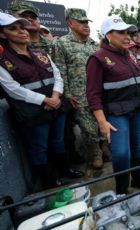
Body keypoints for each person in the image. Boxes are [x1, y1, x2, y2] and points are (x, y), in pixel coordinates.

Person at [0, 12, 84, 190]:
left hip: (55, 105)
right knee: (39, 147)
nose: (21, 31)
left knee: (58, 141)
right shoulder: (3, 60)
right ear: (2, 34)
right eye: (13, 29)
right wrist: (44, 99)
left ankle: (65, 170)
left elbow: (57, 75)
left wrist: (54, 96)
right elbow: (13, 89)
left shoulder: (40, 52)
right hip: (32, 112)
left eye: (22, 27)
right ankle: (49, 182)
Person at [86, 15, 140, 194]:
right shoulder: (98, 58)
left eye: (128, 32)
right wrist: (102, 122)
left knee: (136, 150)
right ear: (108, 35)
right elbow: (93, 94)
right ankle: (122, 192)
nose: (127, 36)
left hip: (137, 110)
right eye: (121, 32)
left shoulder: (128, 55)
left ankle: (139, 184)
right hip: (117, 114)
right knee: (121, 154)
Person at [54, 8, 112, 169]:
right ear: (70, 23)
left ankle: (105, 148)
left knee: (102, 123)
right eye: (81, 22)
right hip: (78, 95)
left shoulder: (94, 45)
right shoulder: (61, 43)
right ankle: (95, 154)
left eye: (87, 22)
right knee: (88, 128)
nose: (86, 25)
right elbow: (59, 70)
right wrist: (67, 93)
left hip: (99, 94)